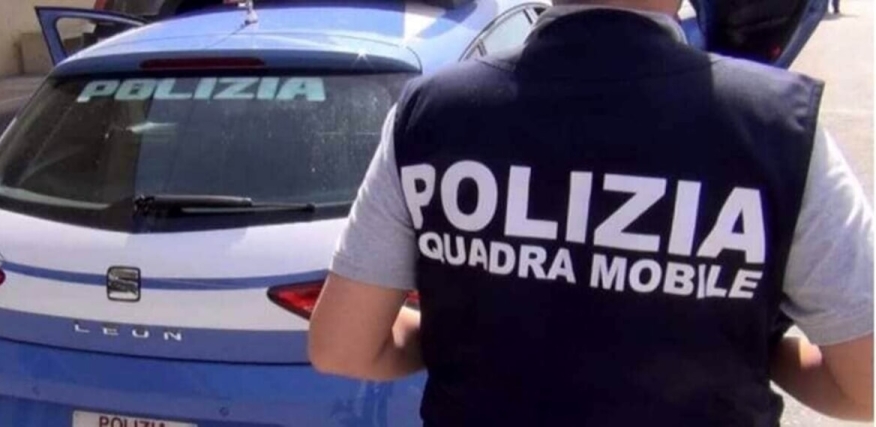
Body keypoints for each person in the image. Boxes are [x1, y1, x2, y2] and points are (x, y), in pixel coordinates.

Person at [308, 0, 873, 425]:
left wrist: (461, 334)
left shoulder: (430, 114)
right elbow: (865, 386)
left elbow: (342, 347)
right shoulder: (779, 130)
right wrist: (768, 352)